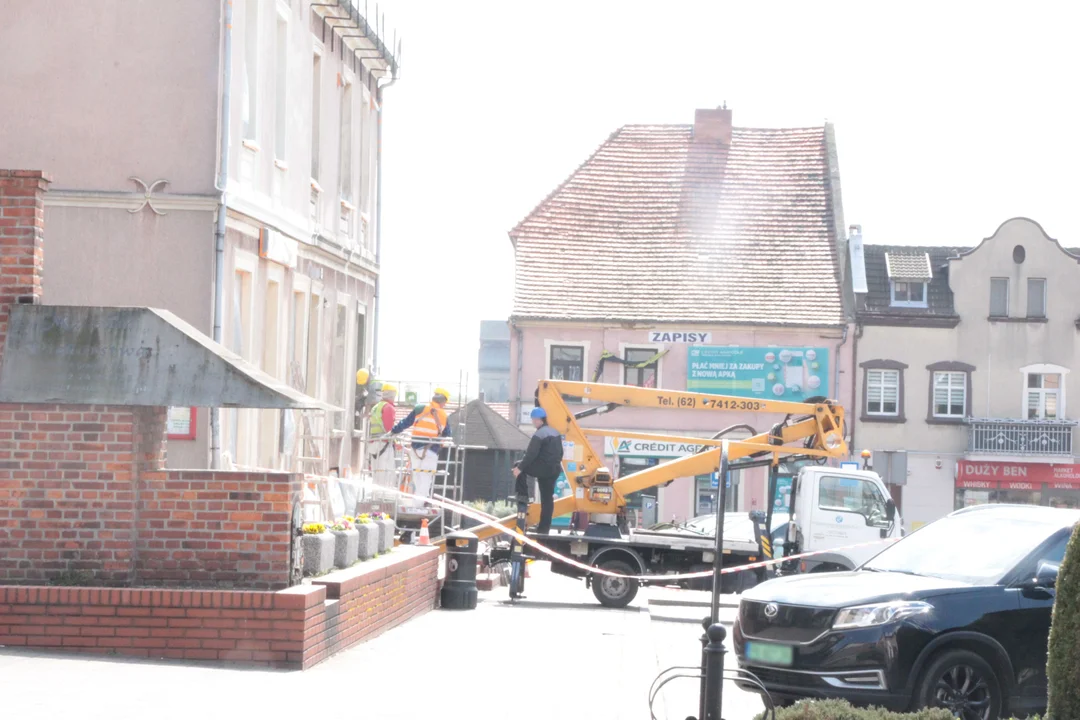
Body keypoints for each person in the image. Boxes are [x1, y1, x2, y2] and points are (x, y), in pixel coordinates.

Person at [391, 388, 452, 507]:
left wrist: (394, 431)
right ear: (443, 401)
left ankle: (416, 503)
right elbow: (447, 433)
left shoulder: (420, 408)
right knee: (425, 479)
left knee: (417, 477)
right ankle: (419, 505)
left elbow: (405, 422)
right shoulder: (443, 415)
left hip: (415, 451)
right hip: (430, 452)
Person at [513, 407, 564, 535]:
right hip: (554, 470)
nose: (533, 423)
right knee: (547, 501)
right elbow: (561, 453)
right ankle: (543, 530)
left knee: (519, 465)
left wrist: (519, 469)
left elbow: (530, 455)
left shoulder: (539, 434)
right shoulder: (556, 433)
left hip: (542, 469)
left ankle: (523, 495)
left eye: (534, 420)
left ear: (538, 420)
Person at [367, 384, 398, 490]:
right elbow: (390, 429)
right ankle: (384, 498)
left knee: (377, 474)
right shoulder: (388, 407)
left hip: (374, 444)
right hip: (384, 444)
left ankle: (376, 497)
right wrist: (397, 443)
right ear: (392, 395)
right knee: (387, 474)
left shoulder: (376, 407)